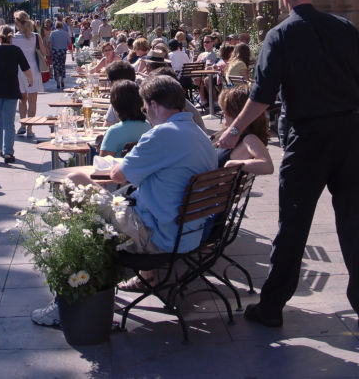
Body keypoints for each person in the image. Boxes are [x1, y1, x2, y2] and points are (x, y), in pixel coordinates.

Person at [217, 0, 359, 330]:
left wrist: (233, 132)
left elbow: (261, 97)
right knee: (356, 221)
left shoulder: (279, 35)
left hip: (307, 138)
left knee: (293, 223)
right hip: (349, 134)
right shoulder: (344, 27)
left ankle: (273, 306)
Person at [33, 75, 217, 326]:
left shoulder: (162, 135)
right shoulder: (199, 134)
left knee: (75, 182)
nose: (147, 115)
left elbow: (118, 175)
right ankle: (139, 276)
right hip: (190, 233)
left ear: (152, 105)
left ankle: (70, 301)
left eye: (146, 109)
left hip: (158, 236)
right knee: (114, 200)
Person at [0, 25, 32, 163]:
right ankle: (8, 151)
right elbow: (26, 68)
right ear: (11, 37)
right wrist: (30, 80)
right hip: (11, 89)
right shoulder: (16, 50)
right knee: (9, 122)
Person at [214, 85, 274, 175]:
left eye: (225, 110)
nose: (222, 113)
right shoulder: (230, 133)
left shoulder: (249, 139)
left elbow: (268, 166)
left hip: (211, 186)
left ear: (236, 112)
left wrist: (234, 164)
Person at [12, 11, 47, 140]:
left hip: (19, 70)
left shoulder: (13, 38)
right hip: (33, 70)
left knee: (22, 99)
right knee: (33, 100)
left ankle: (23, 124)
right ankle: (30, 128)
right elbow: (44, 52)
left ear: (16, 23)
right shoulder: (36, 36)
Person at [97, 80, 151, 157]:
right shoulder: (148, 127)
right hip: (144, 168)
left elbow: (103, 165)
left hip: (120, 168)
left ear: (116, 106)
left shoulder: (114, 132)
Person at [48, 20, 71, 90]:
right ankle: (62, 80)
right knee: (62, 65)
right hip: (63, 51)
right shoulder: (66, 33)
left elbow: (50, 43)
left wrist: (50, 52)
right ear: (62, 26)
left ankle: (57, 81)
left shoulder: (52, 33)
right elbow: (69, 42)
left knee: (56, 67)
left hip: (55, 51)